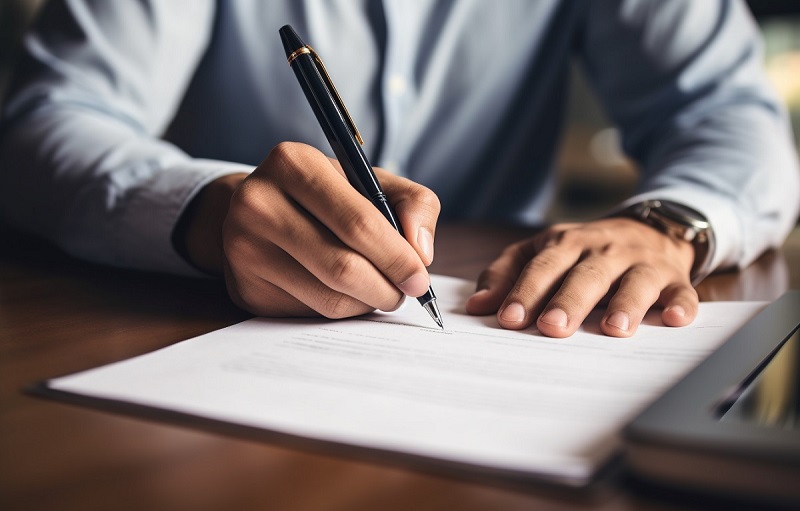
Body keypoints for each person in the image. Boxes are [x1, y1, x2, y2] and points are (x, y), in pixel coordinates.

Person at [1, 0, 798, 338]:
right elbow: (45, 124)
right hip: (198, 325)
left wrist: (669, 223)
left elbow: (728, 114)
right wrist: (208, 209)